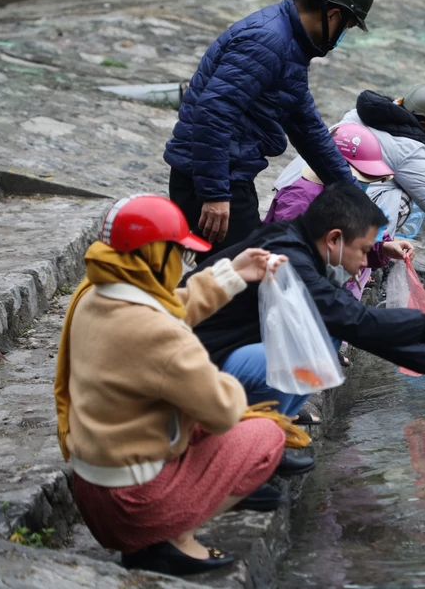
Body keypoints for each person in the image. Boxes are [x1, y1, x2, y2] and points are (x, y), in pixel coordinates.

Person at [53, 195, 302, 576]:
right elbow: (223, 411)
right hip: (134, 506)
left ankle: (172, 521)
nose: (183, 265)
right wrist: (217, 378)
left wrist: (232, 273)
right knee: (266, 436)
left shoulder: (95, 293)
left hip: (94, 492)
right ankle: (173, 538)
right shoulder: (158, 333)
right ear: (156, 256)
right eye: (180, 255)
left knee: (201, 423)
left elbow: (169, 308)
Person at [185, 183, 425, 421]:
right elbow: (358, 321)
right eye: (363, 249)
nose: (365, 260)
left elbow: (356, 325)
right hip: (192, 363)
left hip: (228, 350)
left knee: (328, 332)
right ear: (334, 239)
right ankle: (248, 436)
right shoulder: (289, 256)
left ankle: (270, 428)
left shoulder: (308, 251)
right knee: (309, 351)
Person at [164, 0, 375, 258]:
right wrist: (214, 194)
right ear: (332, 14)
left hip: (229, 174)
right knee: (239, 284)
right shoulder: (269, 41)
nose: (343, 35)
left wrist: (354, 198)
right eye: (347, 27)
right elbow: (213, 112)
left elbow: (308, 128)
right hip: (210, 177)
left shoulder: (290, 45)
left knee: (233, 279)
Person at [274, 84, 425, 278]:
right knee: (404, 194)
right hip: (320, 209)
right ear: (424, 124)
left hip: (292, 183)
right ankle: (361, 263)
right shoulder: (408, 148)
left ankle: (374, 249)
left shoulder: (361, 115)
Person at [265, 121, 414, 302]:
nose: (365, 185)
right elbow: (288, 254)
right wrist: (335, 269)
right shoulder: (299, 199)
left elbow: (360, 237)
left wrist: (382, 248)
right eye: (362, 178)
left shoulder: (350, 197)